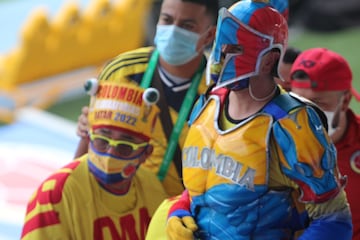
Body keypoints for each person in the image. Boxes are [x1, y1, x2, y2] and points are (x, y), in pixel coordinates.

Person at [147, 1, 353, 239]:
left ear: (268, 59)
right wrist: (181, 209)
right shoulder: (207, 104)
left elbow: (334, 219)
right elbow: (203, 186)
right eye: (219, 47)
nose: (221, 57)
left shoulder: (293, 125)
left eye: (233, 49)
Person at [75, 0, 218, 197]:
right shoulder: (121, 71)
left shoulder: (217, 91)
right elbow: (86, 149)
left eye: (187, 26)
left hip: (174, 216)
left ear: (209, 34)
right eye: (167, 20)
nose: (173, 31)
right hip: (116, 206)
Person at [20, 80, 168, 239]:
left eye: (125, 147)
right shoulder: (54, 194)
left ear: (146, 153)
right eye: (102, 141)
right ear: (89, 138)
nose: (110, 153)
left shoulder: (150, 186)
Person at [290, 47, 360, 239]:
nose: (305, 115)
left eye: (318, 104)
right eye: (297, 103)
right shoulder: (274, 140)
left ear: (344, 101)